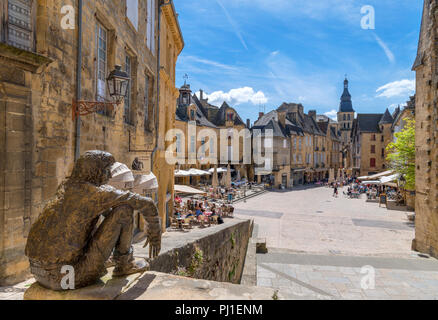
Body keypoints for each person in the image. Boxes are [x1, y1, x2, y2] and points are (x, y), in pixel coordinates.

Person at [25, 151, 161, 291]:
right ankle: (124, 264)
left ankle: (116, 260)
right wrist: (155, 232)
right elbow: (148, 204)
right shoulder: (95, 194)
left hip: (38, 273)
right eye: (107, 170)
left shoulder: (65, 187)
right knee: (124, 211)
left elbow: (106, 215)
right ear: (95, 171)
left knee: (111, 212)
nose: (109, 176)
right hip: (66, 278)